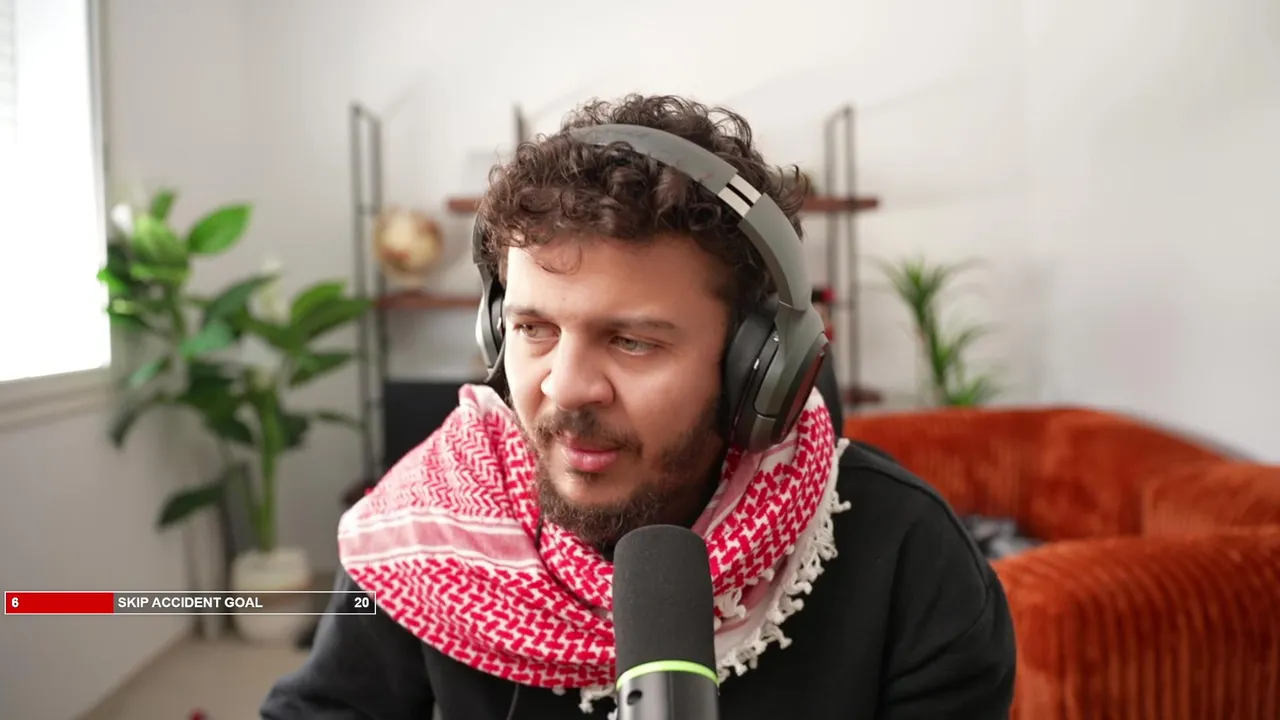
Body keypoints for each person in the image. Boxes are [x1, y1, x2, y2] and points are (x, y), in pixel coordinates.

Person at [260, 94, 1016, 720]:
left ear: (757, 366)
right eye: (533, 330)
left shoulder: (910, 557)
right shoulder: (427, 532)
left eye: (631, 342)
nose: (564, 388)